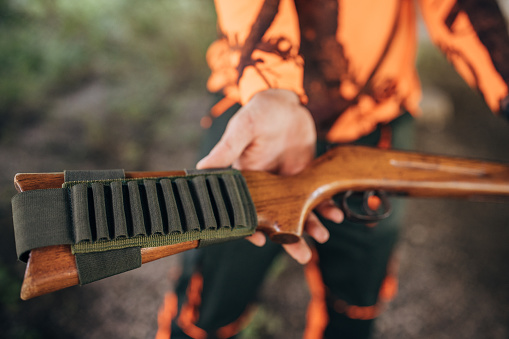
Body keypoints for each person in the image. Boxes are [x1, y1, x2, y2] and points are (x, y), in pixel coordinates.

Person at [156, 1, 509, 338]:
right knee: (206, 307)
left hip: (375, 120)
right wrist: (273, 87)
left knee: (357, 303)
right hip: (257, 116)